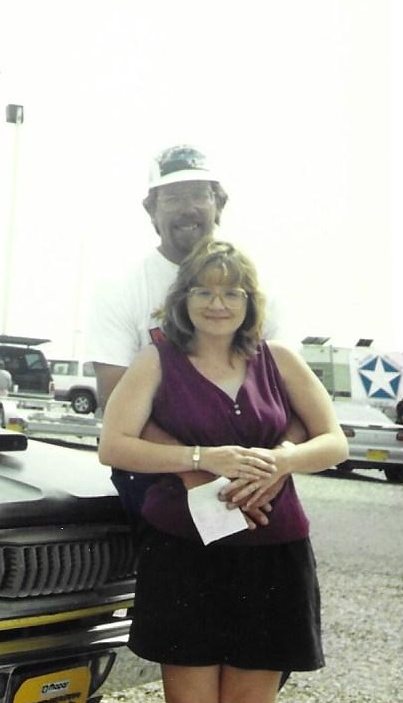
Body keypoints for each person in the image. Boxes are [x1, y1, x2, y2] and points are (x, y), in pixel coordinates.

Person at [97, 238, 348, 703]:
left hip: (273, 553)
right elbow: (113, 446)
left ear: (250, 303)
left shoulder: (279, 359)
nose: (218, 304)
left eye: (233, 293)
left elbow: (334, 440)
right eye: (204, 292)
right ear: (183, 298)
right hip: (185, 553)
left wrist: (283, 461)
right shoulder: (157, 360)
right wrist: (202, 459)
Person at [82, 144, 291, 524]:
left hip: (254, 485)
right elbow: (114, 402)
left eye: (199, 195)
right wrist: (200, 475)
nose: (186, 208)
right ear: (151, 210)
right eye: (173, 197)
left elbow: (293, 398)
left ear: (220, 204)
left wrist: (276, 470)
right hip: (160, 480)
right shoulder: (120, 289)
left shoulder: (260, 292)